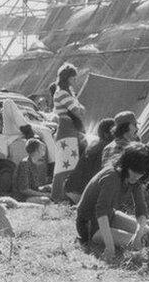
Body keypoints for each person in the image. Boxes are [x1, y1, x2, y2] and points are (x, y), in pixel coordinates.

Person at [75, 143, 149, 262]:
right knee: (138, 244)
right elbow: (101, 212)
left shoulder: (135, 180)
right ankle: (94, 240)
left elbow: (141, 208)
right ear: (126, 164)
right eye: (134, 171)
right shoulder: (112, 177)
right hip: (90, 225)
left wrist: (138, 233)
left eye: (141, 173)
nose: (137, 176)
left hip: (110, 216)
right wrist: (109, 247)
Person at [51, 63, 86, 202]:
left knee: (71, 165)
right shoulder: (62, 93)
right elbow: (78, 111)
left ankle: (64, 196)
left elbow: (80, 111)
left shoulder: (68, 94)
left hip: (71, 130)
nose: (75, 81)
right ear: (68, 78)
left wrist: (78, 110)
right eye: (73, 78)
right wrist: (78, 110)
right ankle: (57, 197)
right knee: (64, 167)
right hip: (66, 131)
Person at [64, 118, 114, 204]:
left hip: (70, 190)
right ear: (106, 134)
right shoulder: (106, 148)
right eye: (115, 131)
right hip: (80, 195)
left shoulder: (95, 143)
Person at [14, 139, 51, 204]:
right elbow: (24, 190)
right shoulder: (25, 164)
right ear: (36, 151)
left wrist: (47, 187)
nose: (44, 150)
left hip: (30, 195)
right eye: (42, 148)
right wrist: (44, 194)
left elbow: (34, 187)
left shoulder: (34, 163)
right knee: (46, 200)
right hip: (22, 198)